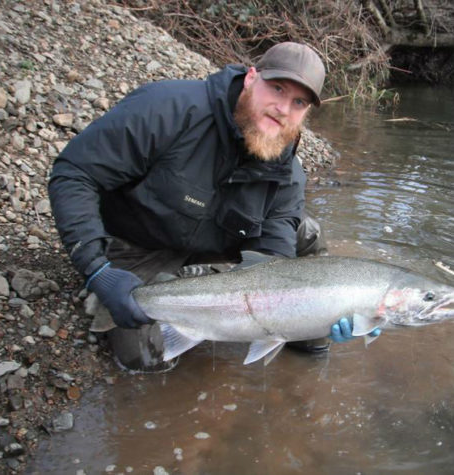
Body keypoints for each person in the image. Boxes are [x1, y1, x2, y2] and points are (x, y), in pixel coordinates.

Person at [49, 42, 379, 371]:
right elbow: (74, 173)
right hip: (141, 245)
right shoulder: (168, 108)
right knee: (143, 359)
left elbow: (274, 261)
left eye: (298, 102)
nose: (283, 108)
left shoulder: (288, 172)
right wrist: (97, 270)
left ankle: (304, 331)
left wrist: (325, 314)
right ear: (251, 78)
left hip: (218, 239)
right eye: (276, 88)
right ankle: (147, 289)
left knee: (306, 234)